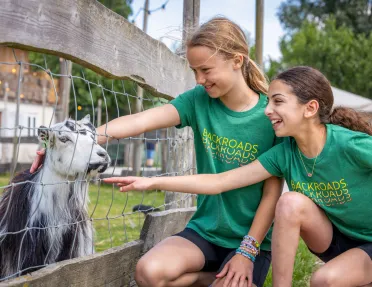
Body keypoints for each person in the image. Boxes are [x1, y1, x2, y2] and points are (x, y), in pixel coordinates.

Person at [31, 17, 283, 287]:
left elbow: (272, 194)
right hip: (207, 232)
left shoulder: (272, 117)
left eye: (206, 70)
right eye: (194, 70)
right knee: (148, 271)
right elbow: (138, 121)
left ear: (237, 60)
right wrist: (76, 145)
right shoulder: (198, 101)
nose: (199, 80)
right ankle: (208, 277)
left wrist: (247, 252)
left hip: (252, 241)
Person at [104, 66, 372, 287]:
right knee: (290, 202)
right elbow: (220, 181)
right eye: (268, 102)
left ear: (310, 108)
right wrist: (154, 181)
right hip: (334, 239)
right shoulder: (284, 154)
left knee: (324, 281)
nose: (268, 110)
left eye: (278, 101)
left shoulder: (351, 145)